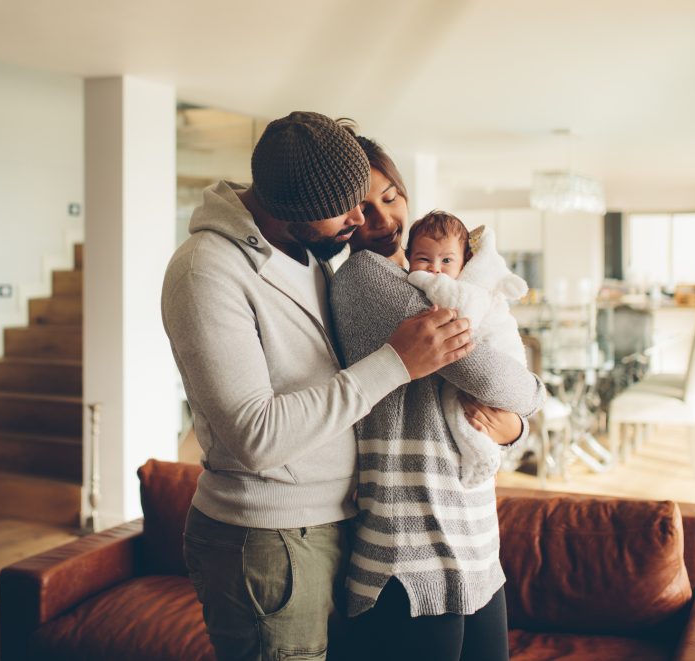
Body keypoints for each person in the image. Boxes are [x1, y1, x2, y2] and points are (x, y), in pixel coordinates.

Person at [161, 111, 476, 661]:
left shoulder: (308, 254)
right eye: (347, 206)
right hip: (267, 539)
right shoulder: (206, 270)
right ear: (292, 210)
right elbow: (257, 437)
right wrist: (396, 362)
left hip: (337, 524)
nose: (363, 217)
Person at [330, 132, 546, 661]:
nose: (381, 216)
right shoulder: (367, 282)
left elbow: (497, 400)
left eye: (390, 196)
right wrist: (531, 401)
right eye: (361, 203)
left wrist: (514, 427)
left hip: (471, 539)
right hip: (408, 553)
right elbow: (503, 384)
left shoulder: (418, 278)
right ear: (338, 213)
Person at [405, 211, 531, 487]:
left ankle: (482, 454)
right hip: (494, 370)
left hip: (501, 356)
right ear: (408, 258)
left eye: (446, 260)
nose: (435, 269)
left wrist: (420, 278)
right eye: (424, 259)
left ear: (463, 264)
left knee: (461, 405)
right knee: (466, 410)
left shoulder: (466, 291)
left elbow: (460, 318)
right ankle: (482, 453)